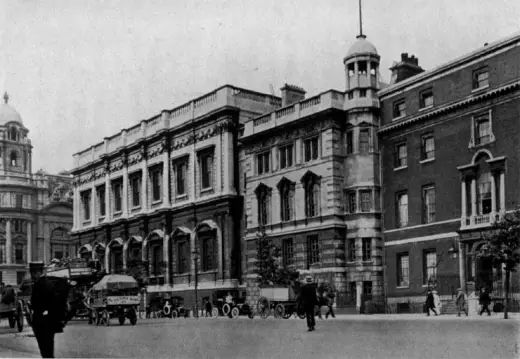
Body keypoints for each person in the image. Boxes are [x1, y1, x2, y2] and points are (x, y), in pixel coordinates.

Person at [30, 261, 69, 358]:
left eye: (34, 272)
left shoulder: (40, 285)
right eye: (32, 273)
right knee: (48, 349)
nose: (33, 275)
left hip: (42, 322)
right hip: (48, 321)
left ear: (39, 272)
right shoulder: (47, 283)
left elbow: (36, 303)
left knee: (45, 350)